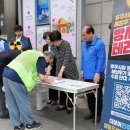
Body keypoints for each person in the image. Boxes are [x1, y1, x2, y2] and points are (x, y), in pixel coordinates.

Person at [3, 50, 54, 130]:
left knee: (11, 102)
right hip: (17, 77)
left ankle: (17, 125)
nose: (47, 63)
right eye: (49, 62)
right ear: (48, 57)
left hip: (6, 74)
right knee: (23, 101)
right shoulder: (41, 58)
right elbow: (41, 77)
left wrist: (46, 71)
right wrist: (50, 80)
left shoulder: (33, 52)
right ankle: (30, 124)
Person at [49, 30, 79, 114]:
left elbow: (66, 58)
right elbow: (52, 58)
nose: (55, 43)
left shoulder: (66, 44)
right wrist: (49, 67)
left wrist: (61, 71)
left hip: (69, 68)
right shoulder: (52, 46)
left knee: (70, 88)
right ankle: (62, 104)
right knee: (61, 87)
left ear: (60, 39)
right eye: (53, 42)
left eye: (56, 41)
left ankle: (70, 106)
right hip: (59, 68)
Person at [81, 25, 106, 123]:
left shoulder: (99, 44)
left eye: (85, 35)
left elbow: (101, 59)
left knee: (98, 95)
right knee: (89, 95)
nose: (84, 37)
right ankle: (92, 111)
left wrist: (98, 72)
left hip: (96, 75)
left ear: (91, 33)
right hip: (86, 74)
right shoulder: (84, 43)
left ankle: (98, 113)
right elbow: (83, 58)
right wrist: (82, 69)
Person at [0, 50, 21, 119]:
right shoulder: (17, 55)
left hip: (4, 72)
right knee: (4, 94)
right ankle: (5, 113)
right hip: (3, 74)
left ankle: (4, 112)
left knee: (2, 94)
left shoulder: (11, 53)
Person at [43, 31, 58, 106]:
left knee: (53, 83)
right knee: (48, 82)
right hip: (47, 66)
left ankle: (55, 99)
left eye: (48, 39)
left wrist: (50, 66)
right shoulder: (44, 47)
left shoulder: (54, 46)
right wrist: (45, 66)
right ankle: (51, 98)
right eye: (45, 39)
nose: (47, 40)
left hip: (54, 66)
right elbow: (44, 58)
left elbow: (55, 58)